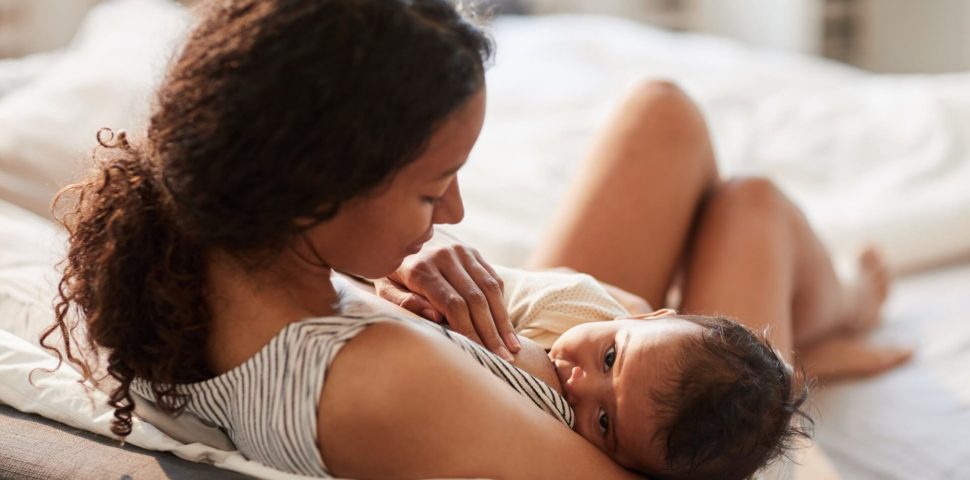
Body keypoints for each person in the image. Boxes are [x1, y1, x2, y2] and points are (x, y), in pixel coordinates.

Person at [38, 1, 910, 480]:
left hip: (548, 351)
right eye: (429, 187)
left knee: (664, 114)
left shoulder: (202, 245)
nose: (454, 211)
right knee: (751, 208)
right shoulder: (383, 383)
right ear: (315, 189)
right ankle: (822, 331)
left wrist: (394, 282)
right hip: (632, 406)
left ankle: (820, 323)